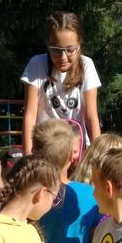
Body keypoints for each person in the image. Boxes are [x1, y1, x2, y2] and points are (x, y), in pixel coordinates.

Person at [21, 11, 102, 156]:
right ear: (48, 44)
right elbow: (30, 116)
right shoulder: (36, 64)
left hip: (76, 151)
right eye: (56, 50)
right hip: (45, 148)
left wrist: (98, 156)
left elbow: (91, 117)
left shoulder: (86, 65)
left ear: (79, 44)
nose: (63, 57)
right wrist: (28, 155)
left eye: (70, 50)